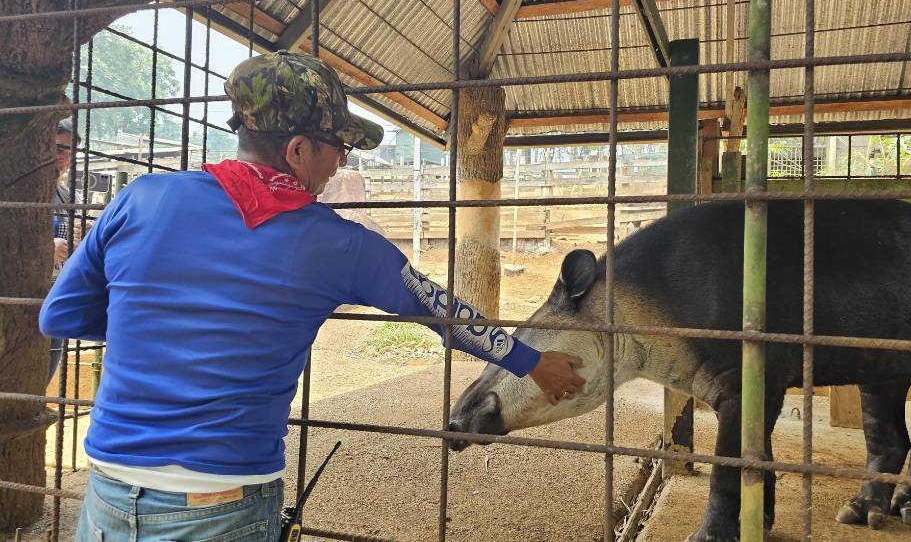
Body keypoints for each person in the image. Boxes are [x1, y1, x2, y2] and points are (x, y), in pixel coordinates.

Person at [40, 51, 585, 541]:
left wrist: (162, 325)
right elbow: (443, 313)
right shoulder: (339, 244)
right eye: (340, 148)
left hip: (107, 490)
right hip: (222, 499)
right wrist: (532, 362)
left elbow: (60, 314)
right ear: (298, 149)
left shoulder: (141, 198)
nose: (342, 163)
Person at [47, 118, 79, 382]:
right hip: (18, 290)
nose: (64, 157)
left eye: (69, 151)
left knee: (43, 375)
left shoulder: (67, 196)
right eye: (58, 148)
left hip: (56, 292)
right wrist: (46, 247)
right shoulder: (13, 188)